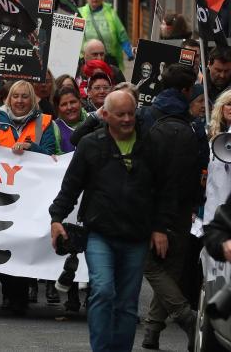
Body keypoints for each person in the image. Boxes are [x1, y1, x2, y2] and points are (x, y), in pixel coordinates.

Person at [49, 90, 171, 352]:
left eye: (131, 113)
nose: (128, 119)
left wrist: (160, 227)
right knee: (103, 291)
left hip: (137, 236)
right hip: (100, 234)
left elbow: (164, 191)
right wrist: (56, 218)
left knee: (127, 304)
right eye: (121, 114)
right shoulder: (91, 145)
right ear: (105, 115)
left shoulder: (151, 145)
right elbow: (71, 186)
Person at [136, 66, 202, 349]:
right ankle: (186, 317)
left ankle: (154, 330)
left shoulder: (146, 117)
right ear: (187, 92)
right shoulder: (189, 126)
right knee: (164, 267)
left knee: (156, 265)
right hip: (178, 209)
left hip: (152, 205)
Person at [0, 80, 58, 313]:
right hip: (0, 192)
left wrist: (31, 149)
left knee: (24, 244)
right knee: (0, 243)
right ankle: (8, 291)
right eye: (15, 96)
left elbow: (50, 154)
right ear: (8, 99)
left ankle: (21, 293)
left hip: (31, 194)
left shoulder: (45, 122)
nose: (19, 101)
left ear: (33, 100)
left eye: (25, 97)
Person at [78, 0, 133, 70]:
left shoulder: (111, 12)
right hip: (87, 61)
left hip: (108, 60)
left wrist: (129, 53)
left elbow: (122, 34)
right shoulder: (80, 13)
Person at [53, 86, 87, 153]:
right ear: (57, 108)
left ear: (80, 102)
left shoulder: (93, 120)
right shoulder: (54, 127)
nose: (69, 107)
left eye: (73, 102)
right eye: (64, 104)